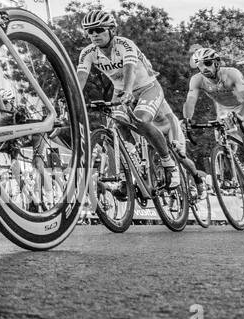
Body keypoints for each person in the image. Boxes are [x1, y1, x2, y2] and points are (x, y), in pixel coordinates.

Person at [75, 10, 204, 190]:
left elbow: (130, 69)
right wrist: (74, 99)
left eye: (98, 29)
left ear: (111, 29)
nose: (94, 34)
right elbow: (80, 78)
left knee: (140, 119)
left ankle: (169, 164)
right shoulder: (88, 53)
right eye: (90, 31)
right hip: (120, 91)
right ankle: (133, 157)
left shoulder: (125, 45)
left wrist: (128, 90)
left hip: (147, 87)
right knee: (117, 122)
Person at [182, 46, 244, 188]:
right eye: (199, 65)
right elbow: (190, 101)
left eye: (207, 63)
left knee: (242, 129)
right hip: (224, 110)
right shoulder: (197, 80)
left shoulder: (231, 74)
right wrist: (187, 119)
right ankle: (232, 177)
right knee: (222, 140)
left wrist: (241, 118)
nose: (204, 68)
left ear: (217, 62)